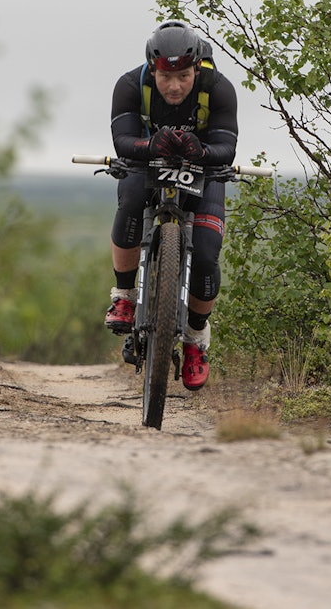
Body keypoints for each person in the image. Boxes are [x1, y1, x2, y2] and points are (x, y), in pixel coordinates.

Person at [104, 20, 239, 390]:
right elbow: (123, 141)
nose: (175, 86)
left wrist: (203, 150)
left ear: (196, 68)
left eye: (183, 76)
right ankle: (125, 296)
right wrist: (151, 146)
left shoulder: (219, 88)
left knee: (208, 253)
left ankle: (196, 341)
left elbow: (227, 148)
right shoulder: (131, 85)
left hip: (204, 170)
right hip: (147, 164)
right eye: (166, 77)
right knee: (130, 199)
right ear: (153, 69)